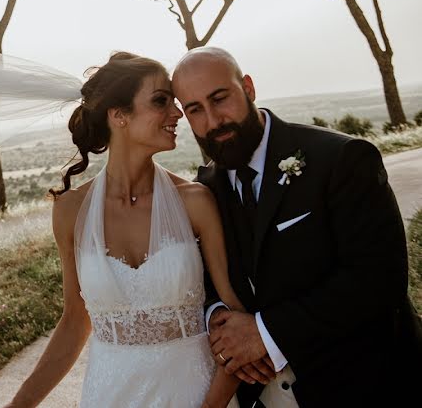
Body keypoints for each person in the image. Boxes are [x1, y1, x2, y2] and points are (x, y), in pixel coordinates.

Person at [172, 47, 422, 408]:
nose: (213, 121)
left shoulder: (342, 158)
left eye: (220, 98)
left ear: (248, 87)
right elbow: (203, 281)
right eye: (195, 109)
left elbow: (379, 278)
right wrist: (218, 318)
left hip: (366, 386)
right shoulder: (204, 190)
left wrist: (265, 334)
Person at [8, 52, 241, 407]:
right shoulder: (70, 212)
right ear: (118, 115)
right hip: (109, 396)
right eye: (161, 101)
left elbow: (235, 319)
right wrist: (18, 404)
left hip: (194, 393)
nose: (177, 113)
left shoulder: (195, 202)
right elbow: (74, 322)